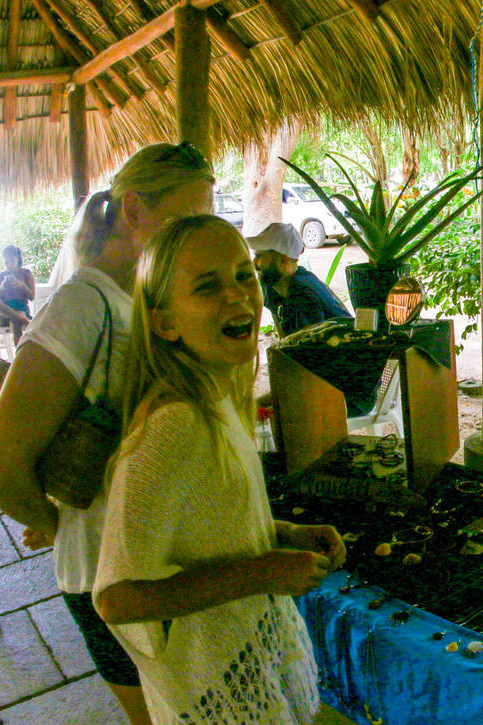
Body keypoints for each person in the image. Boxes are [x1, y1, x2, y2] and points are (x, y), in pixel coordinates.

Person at [0, 142, 215, 725]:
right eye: (188, 219)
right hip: (110, 578)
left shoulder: (135, 296)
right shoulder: (81, 305)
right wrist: (62, 526)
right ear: (134, 211)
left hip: (153, 558)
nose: (198, 236)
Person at [93, 214, 345, 723]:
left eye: (244, 275)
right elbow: (117, 599)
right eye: (207, 286)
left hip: (248, 655)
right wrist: (260, 572)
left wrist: (286, 533)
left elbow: (209, 528)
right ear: (165, 322)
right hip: (213, 688)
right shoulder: (174, 425)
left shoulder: (216, 391)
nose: (237, 296)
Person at [247, 222, 350, 336]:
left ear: (283, 261)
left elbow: (308, 347)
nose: (254, 263)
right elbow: (284, 337)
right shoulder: (271, 282)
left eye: (259, 256)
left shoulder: (303, 295)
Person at [0, 245, 36, 344]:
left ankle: (19, 356)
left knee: (16, 322)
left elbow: (32, 297)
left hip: (20, 309)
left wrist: (22, 285)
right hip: (3, 314)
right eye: (6, 262)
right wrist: (2, 288)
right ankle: (20, 318)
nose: (8, 265)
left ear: (18, 259)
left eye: (11, 261)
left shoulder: (26, 274)